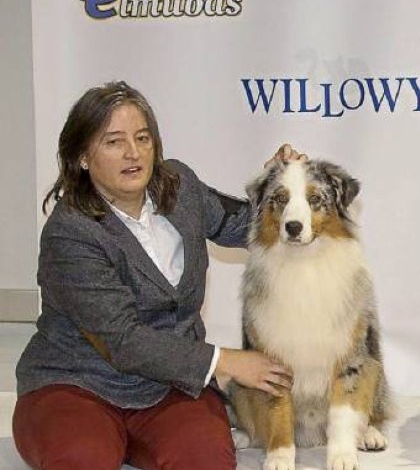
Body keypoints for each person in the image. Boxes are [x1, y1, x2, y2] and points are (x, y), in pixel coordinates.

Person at [13, 82, 300, 470]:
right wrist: (225, 361)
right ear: (82, 156)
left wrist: (280, 189)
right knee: (83, 458)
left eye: (142, 138)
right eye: (114, 142)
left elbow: (249, 227)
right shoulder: (70, 231)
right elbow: (123, 340)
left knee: (207, 460)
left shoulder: (180, 186)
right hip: (76, 385)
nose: (133, 153)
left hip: (167, 389)